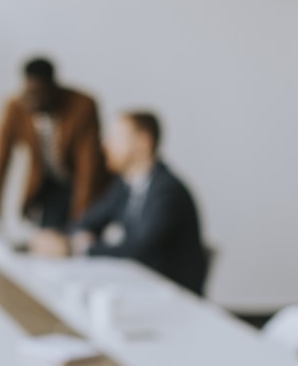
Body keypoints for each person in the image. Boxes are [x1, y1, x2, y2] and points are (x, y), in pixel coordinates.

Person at [67, 111, 208, 294]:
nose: (105, 145)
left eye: (116, 138)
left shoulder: (168, 192)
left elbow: (139, 252)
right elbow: (86, 222)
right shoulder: (125, 186)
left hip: (170, 296)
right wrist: (71, 238)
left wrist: (82, 248)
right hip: (137, 287)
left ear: (143, 142)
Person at [0, 57, 110, 231]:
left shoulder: (82, 105)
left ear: (53, 87)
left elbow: (88, 164)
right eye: (29, 92)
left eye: (39, 93)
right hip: (50, 185)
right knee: (48, 235)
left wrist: (81, 221)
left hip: (80, 183)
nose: (33, 100)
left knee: (80, 235)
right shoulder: (16, 107)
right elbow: (0, 159)